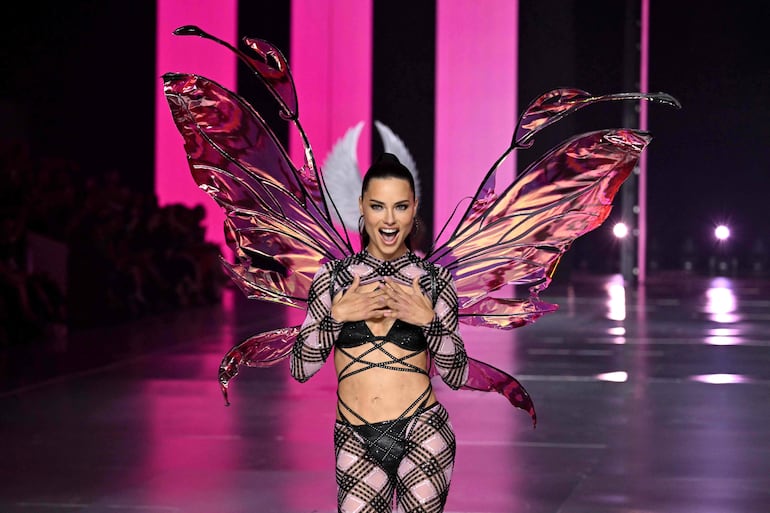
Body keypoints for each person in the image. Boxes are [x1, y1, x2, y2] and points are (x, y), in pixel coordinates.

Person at [291, 153, 468, 513]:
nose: (389, 220)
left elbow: (457, 374)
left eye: (400, 206)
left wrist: (428, 320)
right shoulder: (333, 278)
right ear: (361, 206)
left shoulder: (435, 280)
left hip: (424, 431)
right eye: (377, 206)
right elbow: (301, 369)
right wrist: (336, 316)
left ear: (414, 207)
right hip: (354, 436)